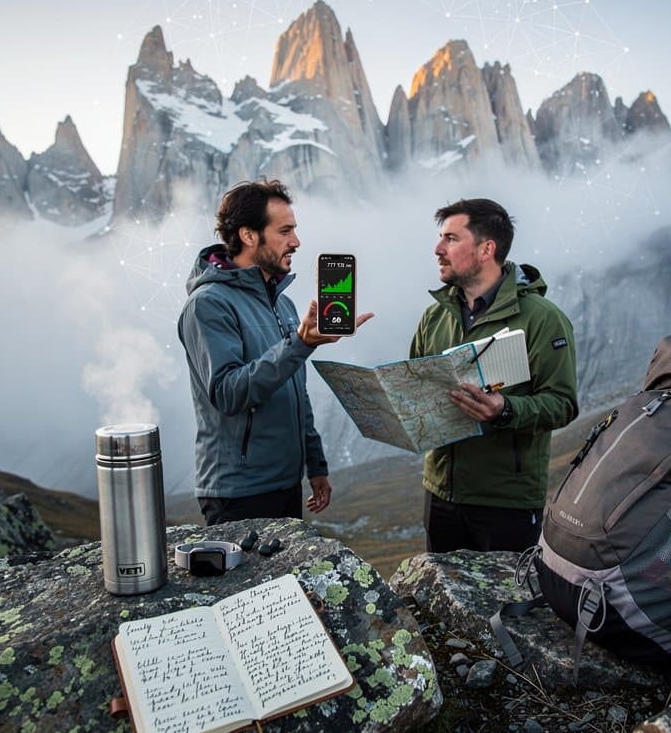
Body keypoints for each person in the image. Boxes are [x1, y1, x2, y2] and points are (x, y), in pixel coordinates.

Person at [178, 179, 372, 525]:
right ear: (249, 235)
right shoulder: (208, 304)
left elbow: (295, 389)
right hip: (237, 493)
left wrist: (315, 464)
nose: (295, 242)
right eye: (285, 231)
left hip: (285, 484)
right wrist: (300, 345)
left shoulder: (282, 303)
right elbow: (227, 393)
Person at [409, 198, 578, 553]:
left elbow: (563, 405)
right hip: (440, 493)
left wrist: (505, 409)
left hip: (507, 503)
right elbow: (414, 387)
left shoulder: (542, 319)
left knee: (504, 606)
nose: (438, 249)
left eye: (451, 239)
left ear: (487, 249)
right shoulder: (433, 317)